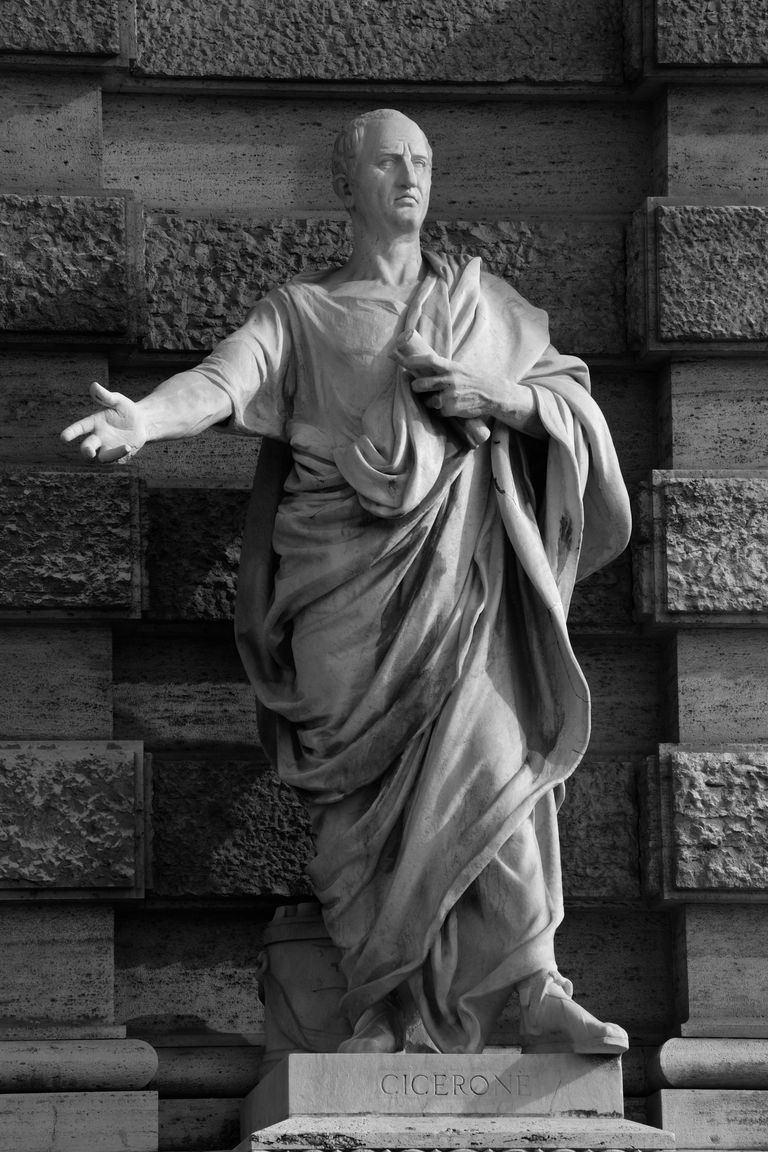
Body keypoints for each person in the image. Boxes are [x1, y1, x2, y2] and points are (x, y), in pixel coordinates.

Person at [62, 109, 632, 1057]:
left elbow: (572, 406)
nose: (410, 178)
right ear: (346, 182)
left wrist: (499, 397)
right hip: (340, 596)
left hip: (463, 588)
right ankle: (381, 1008)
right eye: (388, 162)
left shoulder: (486, 308)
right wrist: (146, 421)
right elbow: (222, 380)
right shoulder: (300, 312)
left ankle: (532, 985)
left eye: (423, 163)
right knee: (354, 814)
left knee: (495, 759)